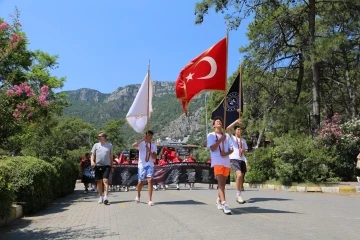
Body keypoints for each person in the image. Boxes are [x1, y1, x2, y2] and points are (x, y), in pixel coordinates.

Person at [206, 117, 233, 214]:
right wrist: (220, 140)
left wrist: (226, 153)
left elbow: (231, 149)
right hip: (217, 160)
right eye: (217, 122)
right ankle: (224, 204)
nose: (219, 122)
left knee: (223, 183)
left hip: (226, 161)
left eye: (220, 122)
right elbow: (212, 148)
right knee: (221, 184)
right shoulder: (211, 135)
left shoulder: (226, 136)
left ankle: (218, 199)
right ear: (214, 125)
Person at [132, 130, 157, 206]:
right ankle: (138, 194)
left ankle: (150, 199)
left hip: (150, 164)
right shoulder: (142, 144)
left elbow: (155, 157)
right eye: (148, 135)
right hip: (142, 164)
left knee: (150, 180)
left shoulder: (153, 145)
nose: (149, 136)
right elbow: (134, 145)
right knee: (141, 182)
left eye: (150, 135)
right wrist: (143, 139)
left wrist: (150, 151)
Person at [227, 120, 248, 204]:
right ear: (235, 131)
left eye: (240, 129)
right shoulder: (232, 137)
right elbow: (228, 128)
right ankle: (238, 195)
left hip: (242, 159)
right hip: (234, 158)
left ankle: (239, 194)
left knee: (241, 177)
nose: (239, 131)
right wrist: (236, 121)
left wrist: (243, 150)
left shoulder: (243, 140)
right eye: (238, 129)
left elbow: (246, 150)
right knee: (239, 175)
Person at [91, 132, 114, 205]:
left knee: (105, 181)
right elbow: (92, 155)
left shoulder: (109, 145)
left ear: (104, 137)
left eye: (100, 136)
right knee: (99, 182)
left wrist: (112, 166)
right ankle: (100, 196)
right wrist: (92, 161)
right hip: (98, 165)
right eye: (98, 136)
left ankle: (106, 197)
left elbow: (111, 156)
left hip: (106, 165)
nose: (99, 138)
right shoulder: (96, 145)